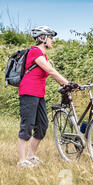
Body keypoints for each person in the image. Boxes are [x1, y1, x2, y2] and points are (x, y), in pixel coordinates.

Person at [17, 26, 70, 168]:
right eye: (50, 37)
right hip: (28, 93)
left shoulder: (43, 55)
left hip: (39, 94)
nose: (53, 40)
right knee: (27, 125)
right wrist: (66, 83)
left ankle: (31, 156)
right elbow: (50, 70)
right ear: (42, 38)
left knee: (42, 125)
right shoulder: (35, 52)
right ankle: (21, 161)